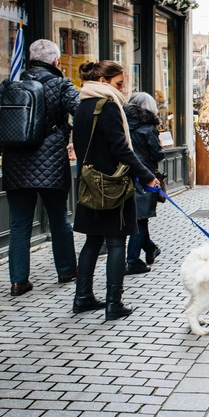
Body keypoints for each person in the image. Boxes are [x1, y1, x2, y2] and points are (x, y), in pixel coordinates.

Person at [0, 39, 80, 297]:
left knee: (19, 225)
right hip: (52, 165)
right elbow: (82, 112)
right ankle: (67, 270)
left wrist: (6, 150)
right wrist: (70, 140)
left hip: (15, 165)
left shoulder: (9, 86)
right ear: (55, 61)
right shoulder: (60, 84)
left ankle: (18, 281)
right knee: (59, 220)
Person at [72, 60, 159, 320]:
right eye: (119, 84)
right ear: (103, 82)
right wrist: (147, 176)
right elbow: (121, 148)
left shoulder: (82, 106)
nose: (123, 90)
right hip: (112, 184)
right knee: (117, 241)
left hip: (89, 182)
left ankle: (83, 296)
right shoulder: (108, 106)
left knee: (92, 240)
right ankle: (114, 302)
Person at [123, 92, 165, 275]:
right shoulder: (149, 128)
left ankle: (149, 248)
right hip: (144, 175)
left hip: (125, 173)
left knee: (139, 217)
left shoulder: (122, 123)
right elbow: (156, 154)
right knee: (140, 218)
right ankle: (132, 260)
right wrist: (161, 148)